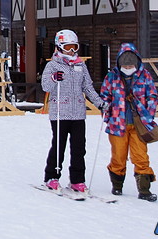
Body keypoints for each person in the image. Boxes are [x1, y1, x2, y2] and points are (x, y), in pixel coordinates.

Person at [41, 29, 105, 194]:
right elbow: (45, 86)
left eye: (74, 47)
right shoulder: (52, 65)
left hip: (77, 113)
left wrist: (100, 104)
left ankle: (77, 180)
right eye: (68, 47)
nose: (72, 51)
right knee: (58, 146)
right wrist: (54, 78)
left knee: (79, 148)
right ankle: (52, 177)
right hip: (60, 112)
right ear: (59, 47)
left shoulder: (80, 65)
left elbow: (88, 87)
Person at [100, 43, 158, 201]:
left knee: (140, 156)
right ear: (119, 63)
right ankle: (117, 185)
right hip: (117, 124)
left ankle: (144, 190)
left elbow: (153, 97)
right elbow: (104, 96)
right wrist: (106, 112)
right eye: (125, 64)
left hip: (139, 125)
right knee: (118, 157)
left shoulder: (145, 76)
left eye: (131, 63)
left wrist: (148, 115)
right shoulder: (111, 76)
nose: (128, 66)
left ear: (137, 62)